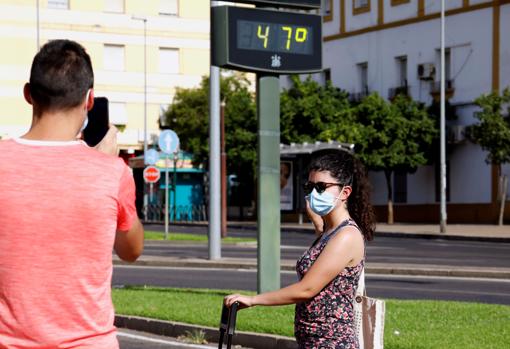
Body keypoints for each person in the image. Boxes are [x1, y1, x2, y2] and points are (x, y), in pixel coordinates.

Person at [0, 40, 144, 348]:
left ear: (28, 94)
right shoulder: (111, 172)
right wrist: (106, 164)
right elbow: (131, 250)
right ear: (90, 100)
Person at [225, 149, 376, 348]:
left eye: (321, 187)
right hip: (313, 342)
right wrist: (318, 222)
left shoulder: (346, 236)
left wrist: (253, 300)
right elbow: (324, 253)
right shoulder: (331, 231)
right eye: (310, 186)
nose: (314, 193)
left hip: (332, 343)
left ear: (345, 192)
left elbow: (307, 289)